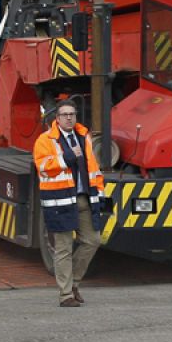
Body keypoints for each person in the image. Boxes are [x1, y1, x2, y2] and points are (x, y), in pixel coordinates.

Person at [32, 101, 107, 307]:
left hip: (84, 198)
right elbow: (43, 166)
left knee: (93, 240)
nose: (69, 118)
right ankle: (65, 295)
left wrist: (99, 193)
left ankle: (73, 283)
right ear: (57, 118)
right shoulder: (45, 140)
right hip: (60, 200)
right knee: (63, 248)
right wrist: (67, 157)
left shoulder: (84, 137)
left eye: (72, 114)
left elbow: (94, 167)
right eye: (64, 114)